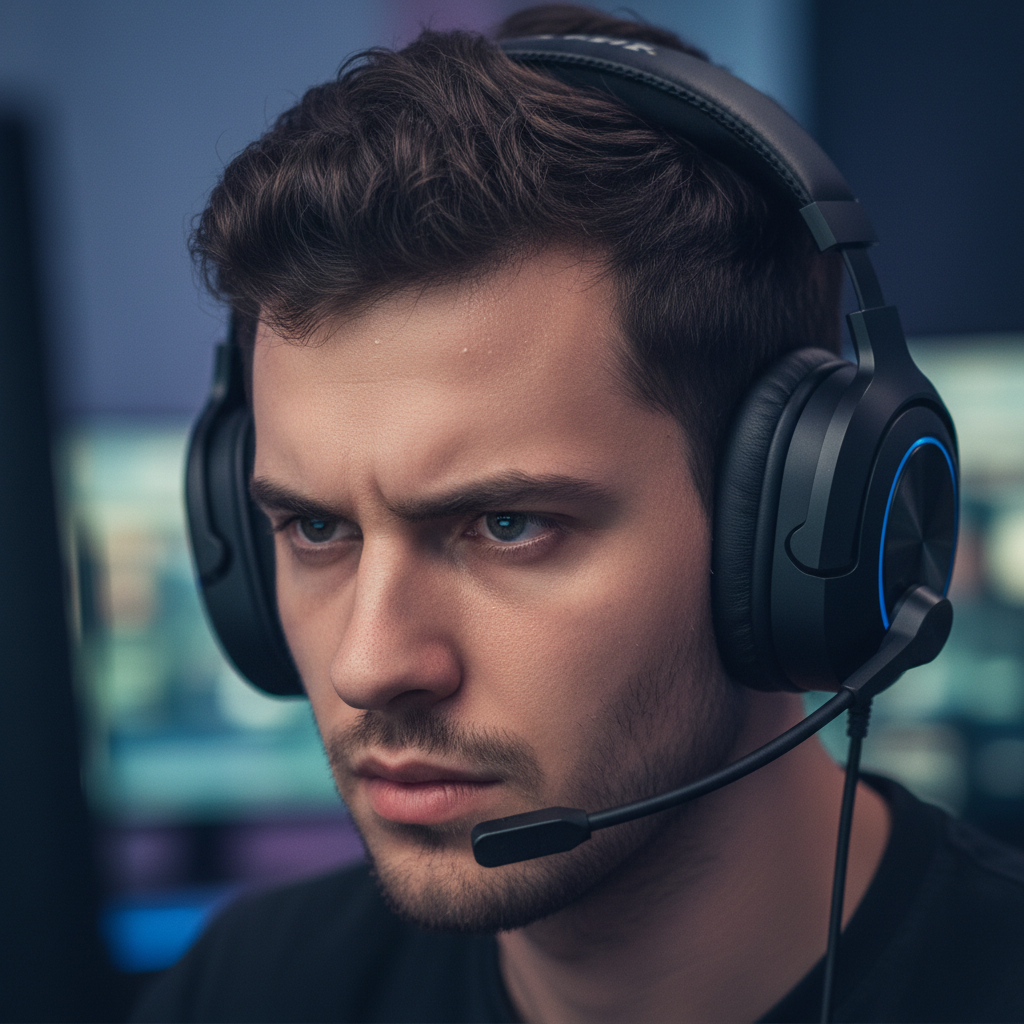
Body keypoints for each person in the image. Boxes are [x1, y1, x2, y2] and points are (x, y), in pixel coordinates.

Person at [135, 6, 1024, 1022]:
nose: (368, 665)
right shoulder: (249, 988)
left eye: (506, 524)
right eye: (316, 528)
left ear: (799, 537)